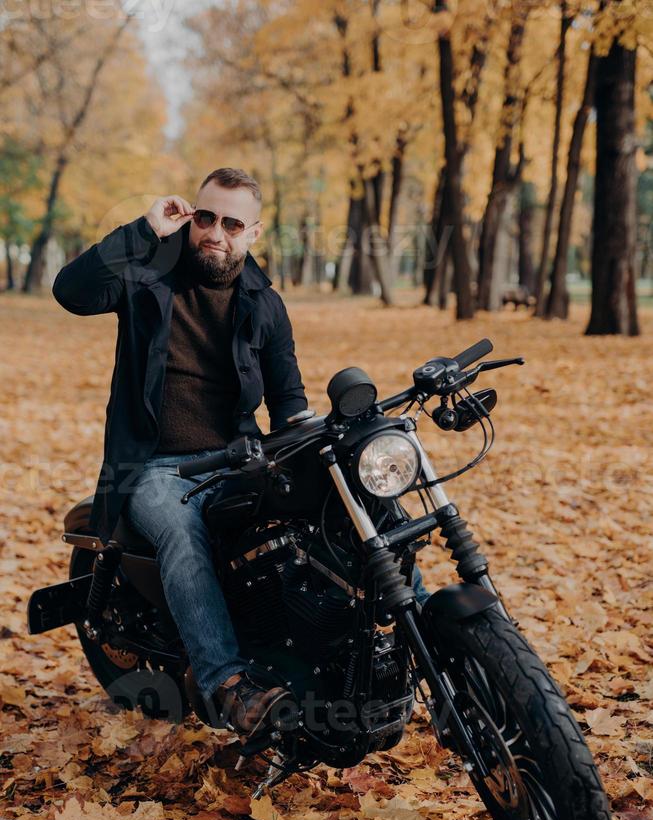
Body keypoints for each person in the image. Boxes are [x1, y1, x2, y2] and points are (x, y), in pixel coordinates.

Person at [52, 167, 430, 738]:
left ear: (252, 232)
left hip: (237, 460)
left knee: (349, 503)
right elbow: (71, 292)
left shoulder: (264, 302)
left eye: (232, 223)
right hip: (156, 466)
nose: (215, 233)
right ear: (191, 217)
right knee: (182, 532)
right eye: (205, 218)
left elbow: (288, 403)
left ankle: (428, 636)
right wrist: (145, 229)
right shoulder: (147, 275)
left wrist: (331, 441)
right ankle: (227, 684)